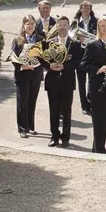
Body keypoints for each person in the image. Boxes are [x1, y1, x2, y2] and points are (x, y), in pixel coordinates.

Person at [80, 17, 106, 154]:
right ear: (99, 28)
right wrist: (99, 69)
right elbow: (83, 65)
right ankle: (100, 150)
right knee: (98, 120)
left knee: (105, 121)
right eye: (101, 26)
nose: (104, 28)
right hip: (97, 87)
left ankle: (96, 148)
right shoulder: (93, 45)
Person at [42, 16, 82, 147]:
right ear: (57, 26)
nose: (63, 27)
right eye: (60, 24)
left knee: (66, 111)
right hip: (52, 81)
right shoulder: (49, 42)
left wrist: (65, 66)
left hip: (67, 82)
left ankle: (65, 138)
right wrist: (49, 66)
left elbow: (78, 61)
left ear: (68, 26)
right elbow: (43, 59)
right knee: (53, 111)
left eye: (65, 24)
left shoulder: (75, 43)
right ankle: (54, 136)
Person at [12, 15, 45, 138]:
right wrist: (22, 66)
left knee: (32, 102)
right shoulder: (17, 40)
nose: (30, 26)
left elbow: (44, 57)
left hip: (35, 75)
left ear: (34, 25)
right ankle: (22, 128)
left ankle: (30, 126)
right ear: (23, 25)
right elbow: (13, 57)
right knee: (23, 102)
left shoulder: (40, 39)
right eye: (28, 24)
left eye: (32, 23)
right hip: (22, 75)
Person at [73, 1, 97, 115]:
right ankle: (84, 105)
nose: (86, 9)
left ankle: (91, 102)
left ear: (91, 9)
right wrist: (78, 40)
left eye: (88, 7)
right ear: (80, 9)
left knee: (92, 80)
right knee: (81, 81)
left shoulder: (96, 21)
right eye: (84, 7)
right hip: (80, 55)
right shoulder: (75, 22)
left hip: (93, 55)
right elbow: (70, 38)